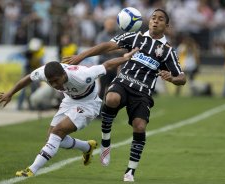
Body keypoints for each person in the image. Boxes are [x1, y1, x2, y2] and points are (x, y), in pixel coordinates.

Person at [63, 9, 186, 182]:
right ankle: (106, 141)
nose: (155, 21)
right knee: (111, 98)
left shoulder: (167, 51)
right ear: (149, 21)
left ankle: (130, 171)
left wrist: (172, 78)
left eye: (160, 19)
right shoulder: (135, 37)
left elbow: (182, 77)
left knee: (140, 126)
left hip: (143, 92)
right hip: (124, 81)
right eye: (153, 18)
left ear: (167, 25)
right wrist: (82, 55)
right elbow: (107, 46)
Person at [0, 48, 139, 177]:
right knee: (52, 139)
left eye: (57, 80)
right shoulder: (45, 72)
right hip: (69, 101)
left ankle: (31, 169)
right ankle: (87, 147)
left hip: (89, 104)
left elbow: (107, 65)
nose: (55, 84)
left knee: (57, 132)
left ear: (64, 73)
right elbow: (28, 78)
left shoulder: (83, 75)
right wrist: (10, 93)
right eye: (51, 82)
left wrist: (126, 57)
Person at [95, 17, 123, 100]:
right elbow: (101, 50)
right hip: (105, 65)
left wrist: (110, 49)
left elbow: (124, 49)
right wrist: (117, 49)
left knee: (115, 87)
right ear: (105, 25)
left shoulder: (119, 34)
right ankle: (99, 106)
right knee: (103, 88)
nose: (110, 26)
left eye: (112, 24)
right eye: (109, 24)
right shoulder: (101, 36)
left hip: (117, 65)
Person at [17, 38, 44, 110]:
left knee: (34, 88)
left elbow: (39, 63)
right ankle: (20, 105)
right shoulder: (28, 51)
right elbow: (21, 52)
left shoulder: (40, 52)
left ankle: (32, 106)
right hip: (28, 69)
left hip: (35, 70)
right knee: (23, 87)